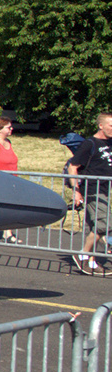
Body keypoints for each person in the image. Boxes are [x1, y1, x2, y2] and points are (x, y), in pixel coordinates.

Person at [68, 113, 112, 275]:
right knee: (105, 224)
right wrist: (76, 191)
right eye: (111, 125)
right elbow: (73, 166)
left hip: (105, 189)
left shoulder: (109, 143)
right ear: (101, 125)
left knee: (95, 226)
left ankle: (91, 261)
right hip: (93, 190)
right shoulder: (89, 144)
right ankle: (83, 255)